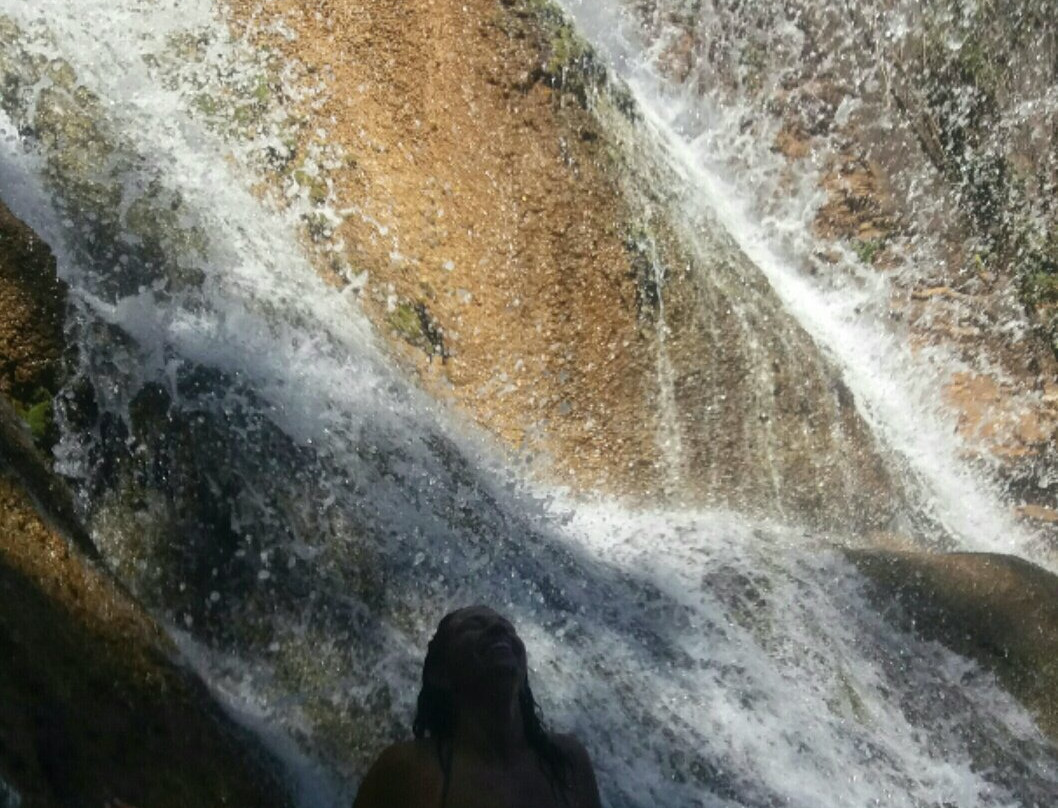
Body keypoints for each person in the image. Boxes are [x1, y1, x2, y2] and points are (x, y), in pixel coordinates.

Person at [353, 605, 603, 808]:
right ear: (441, 674)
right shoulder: (409, 769)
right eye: (473, 626)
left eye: (508, 627)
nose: (497, 628)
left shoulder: (567, 761)